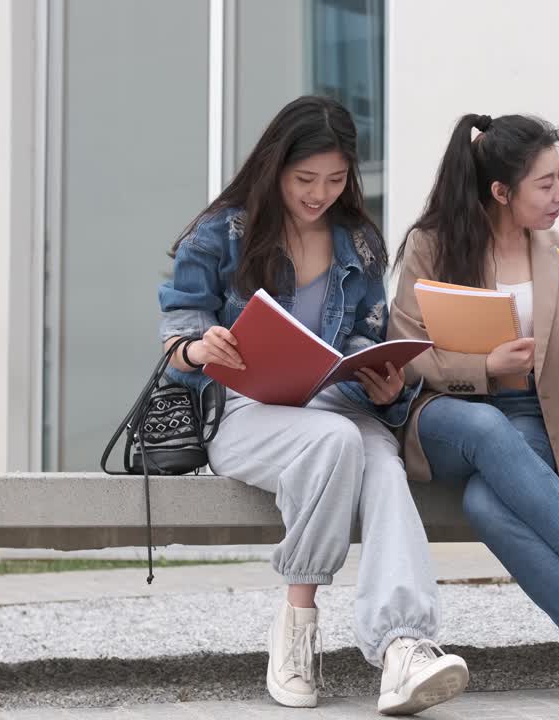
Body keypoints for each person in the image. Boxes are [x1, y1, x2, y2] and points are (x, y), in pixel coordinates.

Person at [157, 95, 467, 715]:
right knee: (339, 444)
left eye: (334, 179)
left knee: (381, 465)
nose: (318, 193)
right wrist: (199, 348)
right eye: (305, 179)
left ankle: (404, 647)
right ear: (275, 167)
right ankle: (297, 623)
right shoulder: (222, 233)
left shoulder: (360, 242)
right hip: (246, 411)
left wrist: (386, 382)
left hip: (339, 405)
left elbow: (365, 340)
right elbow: (176, 339)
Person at [388, 113, 559, 711]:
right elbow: (406, 351)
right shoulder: (431, 245)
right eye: (546, 183)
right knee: (483, 426)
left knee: (488, 504)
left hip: (532, 417)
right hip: (443, 414)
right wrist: (482, 366)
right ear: (500, 191)